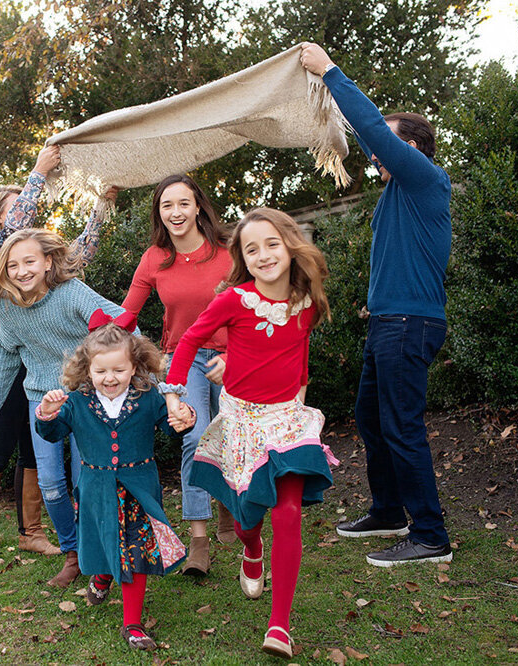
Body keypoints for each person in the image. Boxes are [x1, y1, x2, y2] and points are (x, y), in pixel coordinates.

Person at [299, 43, 453, 566]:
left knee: (402, 425)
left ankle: (430, 535)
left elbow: (371, 128)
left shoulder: (426, 180)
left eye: (387, 142)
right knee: (370, 416)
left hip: (409, 326)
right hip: (390, 322)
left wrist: (329, 74)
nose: (371, 154)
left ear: (411, 147)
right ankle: (389, 509)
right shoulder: (395, 197)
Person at [162, 207, 339, 658]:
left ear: (289, 244)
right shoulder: (235, 300)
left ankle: (279, 626)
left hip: (289, 418)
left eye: (271, 244)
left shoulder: (307, 303)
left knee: (289, 511)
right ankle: (251, 548)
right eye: (251, 249)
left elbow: (297, 355)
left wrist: (300, 393)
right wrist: (176, 394)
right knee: (247, 517)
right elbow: (190, 339)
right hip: (241, 419)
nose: (263, 255)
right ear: (241, 256)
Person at [0, 146, 116, 568]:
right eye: (16, 212)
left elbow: (78, 253)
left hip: (47, 364)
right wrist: (37, 173)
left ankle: (32, 532)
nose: (25, 218)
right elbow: (17, 231)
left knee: (35, 451)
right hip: (0, 356)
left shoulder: (44, 270)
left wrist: (102, 206)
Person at [0, 228, 129, 588]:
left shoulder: (71, 293)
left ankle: (96, 553)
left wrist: (142, 373)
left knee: (83, 479)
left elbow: (120, 322)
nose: (21, 271)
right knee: (51, 483)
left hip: (85, 397)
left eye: (29, 261)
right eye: (12, 265)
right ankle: (73, 554)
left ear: (47, 262)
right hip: (40, 399)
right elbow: (5, 354)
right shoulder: (6, 307)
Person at [34, 316, 195, 650]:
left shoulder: (149, 397)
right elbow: (52, 433)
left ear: (134, 366)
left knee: (135, 552)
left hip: (139, 488)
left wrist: (184, 418)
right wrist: (47, 413)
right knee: (106, 542)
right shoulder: (76, 402)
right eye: (101, 371)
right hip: (96, 490)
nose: (110, 378)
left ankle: (132, 624)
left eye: (118, 371)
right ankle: (104, 574)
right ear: (87, 370)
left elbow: (171, 426)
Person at [120, 174, 236, 576]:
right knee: (195, 435)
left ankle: (226, 504)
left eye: (183, 203)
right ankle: (199, 538)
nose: (175, 212)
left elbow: (255, 305)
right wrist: (97, 340)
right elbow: (126, 317)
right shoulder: (154, 258)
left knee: (233, 435)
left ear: (198, 206)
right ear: (159, 213)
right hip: (182, 360)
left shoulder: (227, 252)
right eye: (166, 205)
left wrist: (242, 355)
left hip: (231, 356)